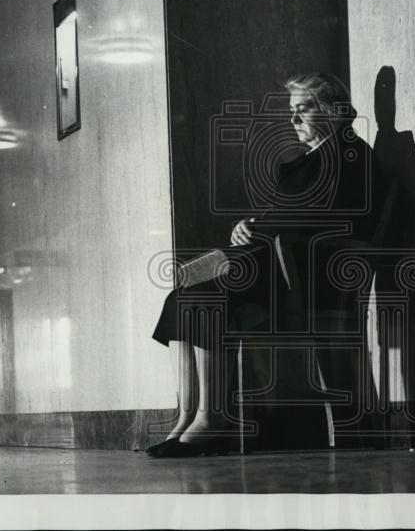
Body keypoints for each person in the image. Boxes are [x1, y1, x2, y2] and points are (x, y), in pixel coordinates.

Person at [148, 72, 384, 457]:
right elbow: (286, 213)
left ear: (331, 111)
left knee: (206, 296)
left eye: (302, 109)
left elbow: (326, 215)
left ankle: (212, 418)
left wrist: (260, 226)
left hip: (309, 278)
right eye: (291, 111)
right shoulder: (313, 157)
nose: (292, 120)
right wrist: (250, 225)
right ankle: (186, 416)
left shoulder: (350, 152)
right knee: (183, 296)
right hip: (278, 265)